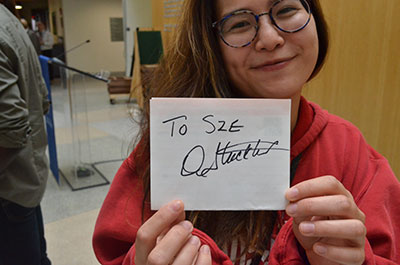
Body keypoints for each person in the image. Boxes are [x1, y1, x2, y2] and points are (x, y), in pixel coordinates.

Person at [92, 0, 400, 264]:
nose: (269, 38)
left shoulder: (350, 153)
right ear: (212, 45)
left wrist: (361, 259)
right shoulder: (168, 146)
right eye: (239, 23)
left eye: (287, 9)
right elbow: (116, 251)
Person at [0, 1, 51, 265]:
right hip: (27, 177)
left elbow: (9, 128)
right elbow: (42, 100)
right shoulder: (9, 20)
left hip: (7, 187)